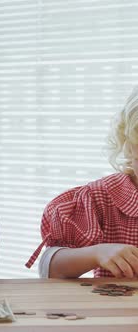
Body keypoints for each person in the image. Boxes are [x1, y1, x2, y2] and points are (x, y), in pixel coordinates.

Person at [26, 87, 138, 279]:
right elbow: (49, 268)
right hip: (114, 309)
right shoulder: (102, 198)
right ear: (128, 145)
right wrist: (97, 253)